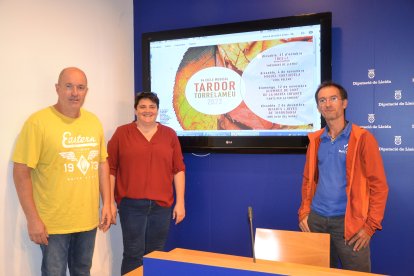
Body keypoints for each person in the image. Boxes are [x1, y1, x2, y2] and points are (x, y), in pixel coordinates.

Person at [13, 67, 112, 276]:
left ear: (87, 91)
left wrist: (108, 203)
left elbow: (102, 163)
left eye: (80, 87)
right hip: (53, 224)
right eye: (68, 86)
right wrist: (33, 219)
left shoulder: (93, 122)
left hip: (87, 220)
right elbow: (21, 171)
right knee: (54, 273)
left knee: (82, 271)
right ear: (57, 88)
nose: (75, 92)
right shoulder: (38, 122)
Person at [298, 81, 389, 272]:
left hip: (349, 224)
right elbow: (308, 180)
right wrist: (305, 213)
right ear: (318, 107)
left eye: (333, 99)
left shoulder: (362, 138)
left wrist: (370, 226)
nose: (328, 104)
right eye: (322, 100)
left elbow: (379, 186)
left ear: (344, 103)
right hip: (317, 221)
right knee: (317, 273)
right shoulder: (315, 141)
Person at [107, 91, 186, 275]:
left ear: (157, 110)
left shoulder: (169, 134)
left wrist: (180, 202)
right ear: (135, 110)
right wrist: (109, 202)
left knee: (156, 255)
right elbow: (109, 169)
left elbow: (178, 169)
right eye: (142, 107)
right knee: (133, 255)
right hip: (131, 206)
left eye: (152, 107)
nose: (147, 111)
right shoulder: (122, 133)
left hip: (161, 207)